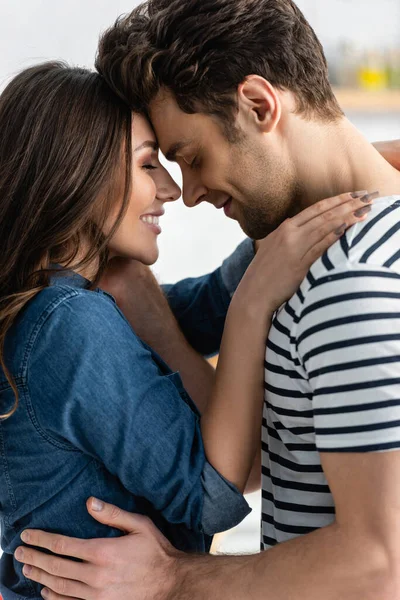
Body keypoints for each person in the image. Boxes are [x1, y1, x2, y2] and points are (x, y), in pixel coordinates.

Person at [16, 0, 400, 599]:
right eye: (156, 164)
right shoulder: (74, 322)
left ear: (258, 105)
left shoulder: (353, 281)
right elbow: (224, 476)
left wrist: (174, 579)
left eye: (188, 158)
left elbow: (379, 567)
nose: (184, 192)